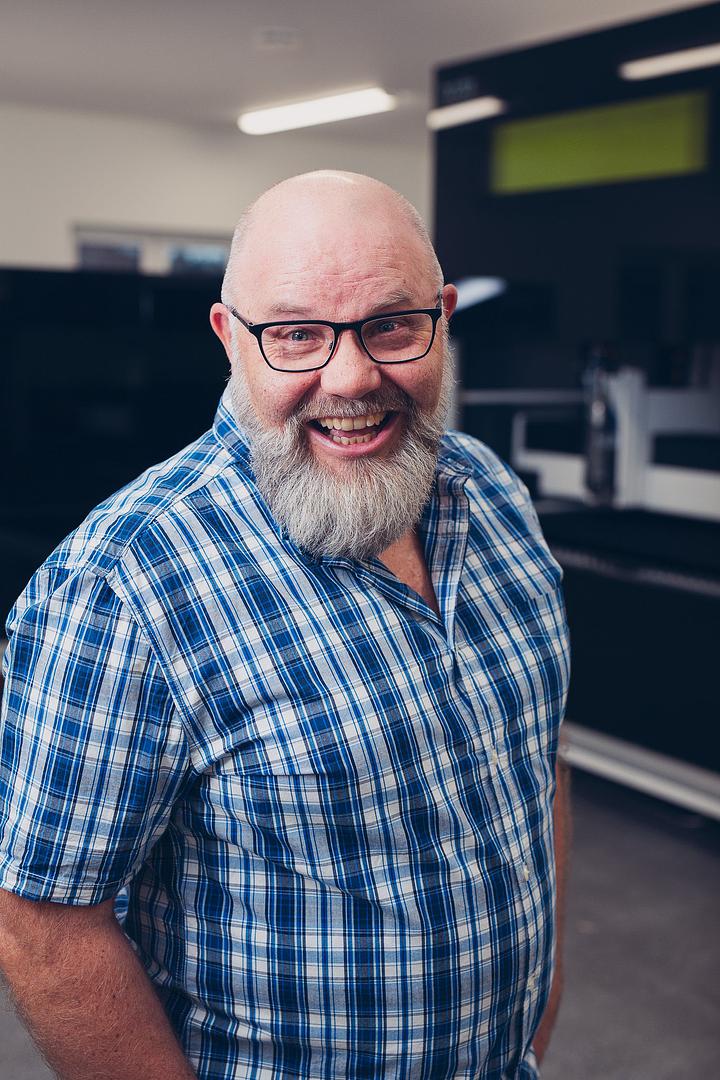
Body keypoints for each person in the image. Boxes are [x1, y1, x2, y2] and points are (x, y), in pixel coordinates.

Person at [0, 171, 570, 1079]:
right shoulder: (124, 586)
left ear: (443, 319)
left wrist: (541, 1000)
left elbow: (536, 756)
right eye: (297, 333)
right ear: (231, 339)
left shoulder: (493, 495)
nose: (351, 377)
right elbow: (43, 924)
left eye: (392, 325)